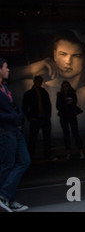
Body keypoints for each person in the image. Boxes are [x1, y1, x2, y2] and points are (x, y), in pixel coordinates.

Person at [9, 30, 85, 134]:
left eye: (76, 55)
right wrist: (31, 68)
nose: (68, 62)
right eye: (63, 54)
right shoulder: (33, 88)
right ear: (55, 55)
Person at [0, 58, 31, 212]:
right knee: (7, 165)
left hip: (15, 130)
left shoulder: (5, 87)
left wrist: (19, 116)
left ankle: (6, 197)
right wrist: (13, 117)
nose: (8, 70)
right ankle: (7, 198)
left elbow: (14, 106)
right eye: (6, 67)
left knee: (24, 161)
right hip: (5, 131)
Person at [22, 75, 54, 161]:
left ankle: (47, 155)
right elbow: (24, 107)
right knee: (33, 138)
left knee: (47, 138)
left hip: (44, 118)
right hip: (35, 119)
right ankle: (31, 156)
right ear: (34, 82)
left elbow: (48, 105)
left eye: (40, 81)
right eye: (38, 81)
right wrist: (30, 117)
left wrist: (48, 116)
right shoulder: (29, 93)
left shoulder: (44, 92)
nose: (39, 83)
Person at [56, 80, 84, 160]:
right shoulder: (60, 95)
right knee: (66, 135)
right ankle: (68, 152)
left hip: (71, 115)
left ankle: (81, 151)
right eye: (64, 86)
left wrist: (69, 104)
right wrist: (66, 104)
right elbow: (58, 106)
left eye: (66, 86)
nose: (65, 88)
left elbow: (74, 103)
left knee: (75, 133)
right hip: (64, 116)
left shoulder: (72, 94)